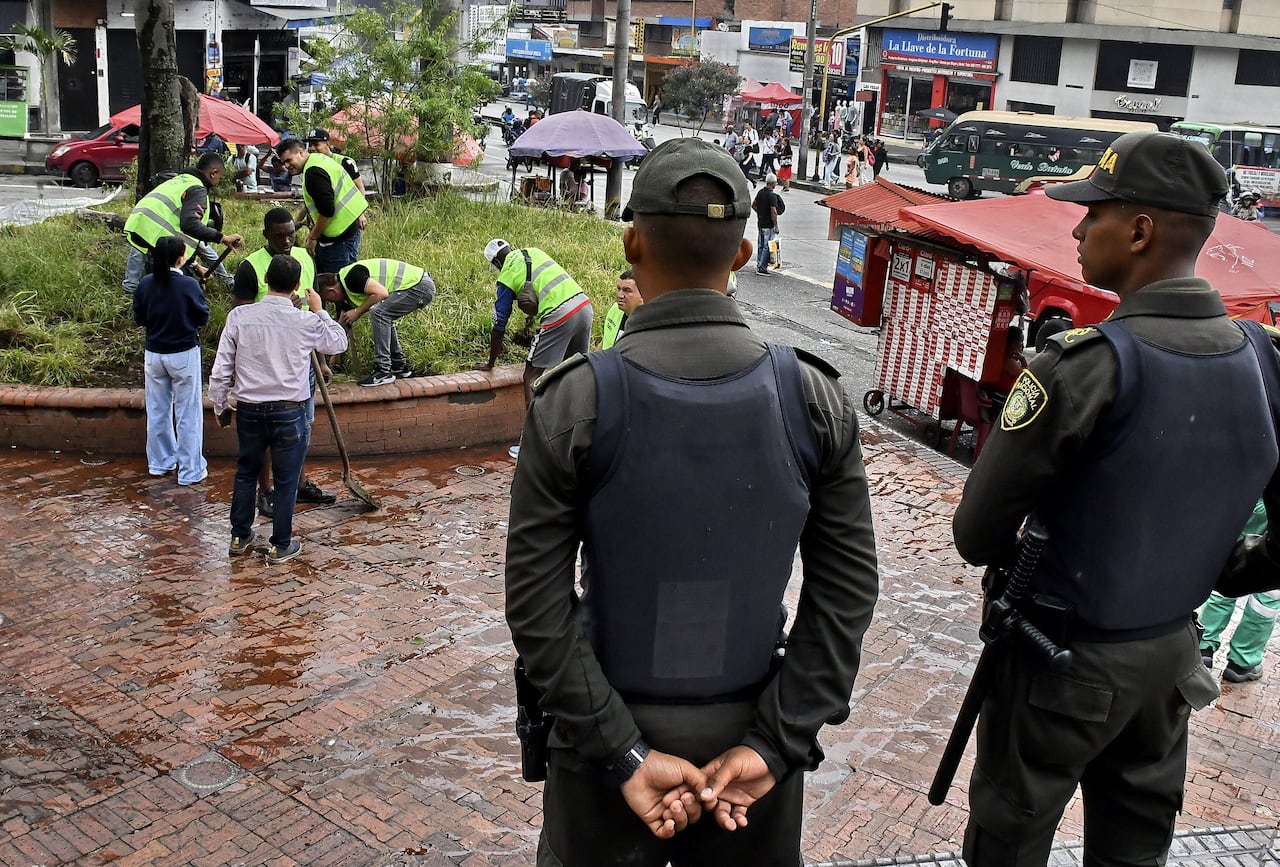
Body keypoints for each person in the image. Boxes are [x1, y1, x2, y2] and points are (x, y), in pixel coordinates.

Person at [504, 136, 879, 866]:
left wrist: (621, 749)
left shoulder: (575, 401)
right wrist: (776, 740)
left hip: (601, 735)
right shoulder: (813, 400)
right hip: (753, 742)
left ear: (631, 242)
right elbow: (847, 593)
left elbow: (535, 604)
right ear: (741, 255)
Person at [951, 131, 1280, 864]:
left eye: (1093, 211)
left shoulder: (1084, 366)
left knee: (1009, 840)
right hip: (1170, 659)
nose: (1076, 226)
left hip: (1061, 660)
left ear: (1139, 230)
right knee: (1136, 848)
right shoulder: (1261, 358)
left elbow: (977, 532)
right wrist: (1224, 566)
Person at [210, 254, 349, 565]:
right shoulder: (305, 320)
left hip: (248, 410)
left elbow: (221, 371)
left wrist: (221, 406)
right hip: (290, 411)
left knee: (246, 472)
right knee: (287, 479)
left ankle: (239, 535)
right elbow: (338, 343)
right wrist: (320, 311)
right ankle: (280, 544)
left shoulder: (240, 317)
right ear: (298, 285)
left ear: (265, 281)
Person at [232, 207, 335, 516]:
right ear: (266, 235)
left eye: (291, 233)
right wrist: (278, 308)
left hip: (301, 361)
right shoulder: (251, 267)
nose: (287, 240)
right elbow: (240, 316)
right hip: (265, 364)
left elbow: (314, 310)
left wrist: (323, 359)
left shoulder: (305, 258)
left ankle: (299, 484)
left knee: (302, 428)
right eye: (279, 235)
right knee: (267, 433)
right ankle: (266, 492)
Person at [476, 239, 592, 458]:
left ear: (497, 261)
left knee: (531, 375)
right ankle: (580, 437)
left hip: (559, 316)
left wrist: (491, 362)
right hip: (583, 306)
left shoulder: (506, 275)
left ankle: (533, 445)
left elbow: (499, 322)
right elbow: (546, 287)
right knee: (577, 372)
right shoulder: (535, 253)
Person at [131, 235, 210, 487]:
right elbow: (202, 315)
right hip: (184, 353)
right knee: (187, 411)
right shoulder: (188, 285)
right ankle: (190, 470)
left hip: (154, 354)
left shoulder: (145, 283)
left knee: (157, 409)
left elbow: (139, 317)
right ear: (180, 257)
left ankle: (160, 462)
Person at [122, 152, 244, 295]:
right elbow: (190, 225)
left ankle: (132, 292)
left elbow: (192, 241)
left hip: (140, 223)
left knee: (152, 278)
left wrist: (196, 265)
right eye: (220, 177)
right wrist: (223, 238)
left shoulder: (181, 180)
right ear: (213, 173)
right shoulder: (198, 189)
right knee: (182, 290)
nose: (218, 181)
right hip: (154, 234)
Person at [316, 259, 437, 386]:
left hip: (419, 286)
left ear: (331, 291)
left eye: (327, 300)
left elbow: (381, 293)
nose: (330, 303)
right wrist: (336, 355)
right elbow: (343, 323)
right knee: (384, 315)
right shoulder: (347, 289)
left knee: (379, 313)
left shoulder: (352, 278)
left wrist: (357, 311)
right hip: (417, 285)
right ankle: (399, 366)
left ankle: (383, 371)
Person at [1200, 499, 1280, 683]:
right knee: (1270, 584)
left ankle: (1203, 645)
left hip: (1257, 492)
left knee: (1230, 561)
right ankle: (1243, 662)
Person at [276, 137, 368, 275]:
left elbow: (326, 210)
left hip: (337, 238)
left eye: (289, 160)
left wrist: (313, 237)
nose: (286, 166)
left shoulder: (313, 172)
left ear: (301, 152)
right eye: (283, 162)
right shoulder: (318, 160)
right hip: (349, 228)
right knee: (346, 278)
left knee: (334, 283)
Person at [305, 128, 367, 196]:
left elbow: (360, 189)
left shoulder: (345, 162)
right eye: (310, 145)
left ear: (327, 143)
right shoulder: (310, 165)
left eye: (316, 144)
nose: (312, 148)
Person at [600, 268, 642, 349]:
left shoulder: (649, 323)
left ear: (642, 294)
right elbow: (605, 341)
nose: (620, 295)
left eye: (627, 290)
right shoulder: (615, 309)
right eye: (619, 289)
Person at [751, 173, 783, 276]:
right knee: (767, 246)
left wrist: (760, 213)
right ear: (773, 183)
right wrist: (776, 226)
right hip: (768, 224)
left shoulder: (761, 192)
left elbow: (754, 205)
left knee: (761, 245)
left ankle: (759, 264)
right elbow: (773, 212)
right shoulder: (772, 195)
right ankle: (762, 268)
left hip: (760, 222)